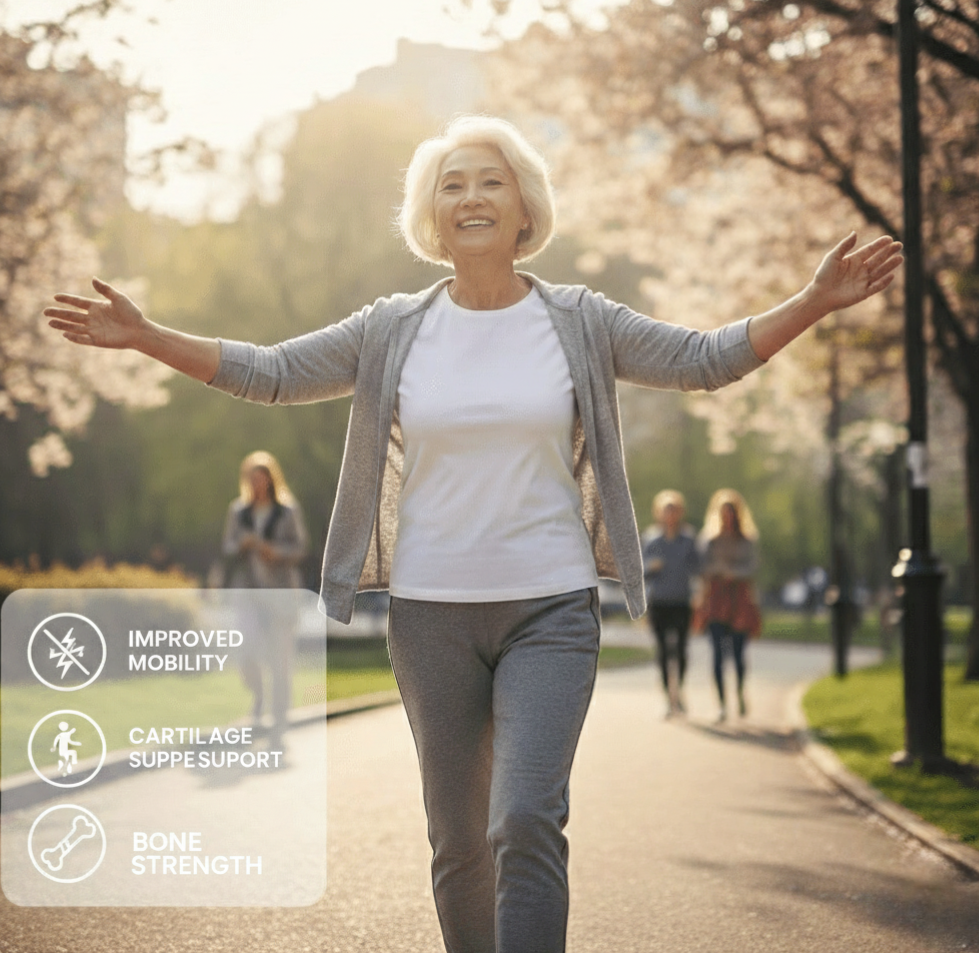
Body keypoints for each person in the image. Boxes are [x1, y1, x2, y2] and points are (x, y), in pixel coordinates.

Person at [44, 114, 901, 953]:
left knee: (525, 819)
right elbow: (271, 374)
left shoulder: (581, 321)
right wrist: (149, 337)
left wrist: (816, 300)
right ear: (431, 215)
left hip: (550, 609)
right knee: (457, 843)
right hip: (430, 613)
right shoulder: (391, 329)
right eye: (451, 185)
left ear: (525, 207)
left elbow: (705, 359)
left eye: (492, 180)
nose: (472, 196)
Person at [221, 450, 310, 735]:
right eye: (252, 478)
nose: (258, 484)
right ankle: (259, 697)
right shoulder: (238, 511)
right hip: (249, 594)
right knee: (245, 652)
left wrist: (276, 552)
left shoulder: (287, 511)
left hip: (281, 594)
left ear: (271, 480)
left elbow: (300, 549)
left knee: (279, 660)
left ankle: (279, 719)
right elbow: (227, 547)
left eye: (262, 478)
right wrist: (243, 545)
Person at [696, 488, 761, 723]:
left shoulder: (747, 540)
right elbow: (701, 568)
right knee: (717, 655)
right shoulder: (709, 541)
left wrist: (734, 573)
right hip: (715, 600)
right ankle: (722, 705)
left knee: (738, 653)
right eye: (723, 512)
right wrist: (718, 572)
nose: (727, 517)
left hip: (739, 601)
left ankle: (741, 692)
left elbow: (753, 567)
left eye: (731, 512)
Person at [642, 489, 700, 718]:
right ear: (659, 513)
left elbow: (698, 568)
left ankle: (680, 688)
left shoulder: (688, 540)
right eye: (666, 510)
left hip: (682, 601)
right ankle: (669, 697)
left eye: (674, 510)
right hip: (658, 602)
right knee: (663, 651)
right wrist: (650, 567)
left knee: (682, 650)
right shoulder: (651, 539)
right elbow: (641, 571)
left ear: (680, 512)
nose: (670, 514)